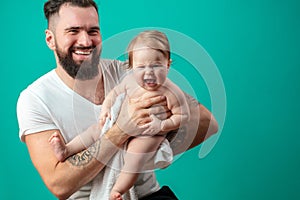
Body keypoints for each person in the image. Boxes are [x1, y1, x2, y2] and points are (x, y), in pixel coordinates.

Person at [16, 0, 219, 199]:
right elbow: (59, 184)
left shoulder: (129, 71)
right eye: (73, 31)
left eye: (93, 31)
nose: (86, 41)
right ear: (50, 39)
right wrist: (121, 130)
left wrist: (150, 147)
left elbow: (205, 122)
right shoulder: (35, 99)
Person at [48, 30, 190, 200]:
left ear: (167, 64)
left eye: (156, 66)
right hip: (122, 121)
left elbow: (183, 116)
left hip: (149, 133)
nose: (149, 72)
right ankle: (66, 149)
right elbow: (114, 93)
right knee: (95, 131)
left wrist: (162, 125)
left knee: (134, 157)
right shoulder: (130, 81)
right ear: (131, 67)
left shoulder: (171, 91)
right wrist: (107, 109)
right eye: (141, 67)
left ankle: (117, 190)